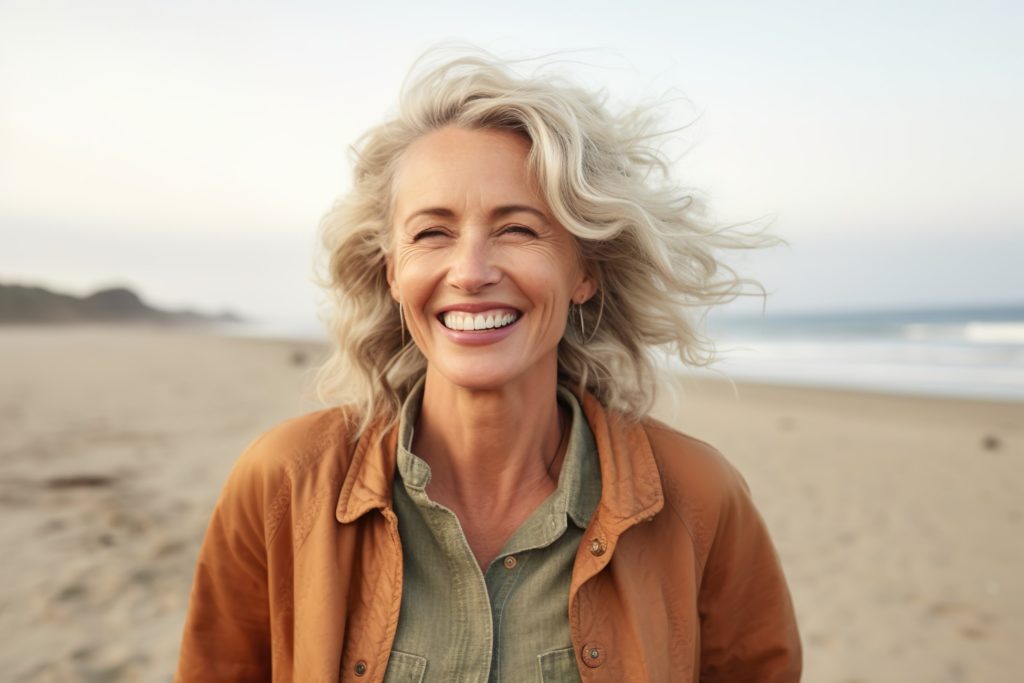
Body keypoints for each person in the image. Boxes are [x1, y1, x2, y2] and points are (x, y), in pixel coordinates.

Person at [175, 50, 801, 683]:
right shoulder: (283, 484)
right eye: (431, 233)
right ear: (393, 272)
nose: (471, 272)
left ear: (584, 270)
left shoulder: (698, 498)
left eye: (518, 230)